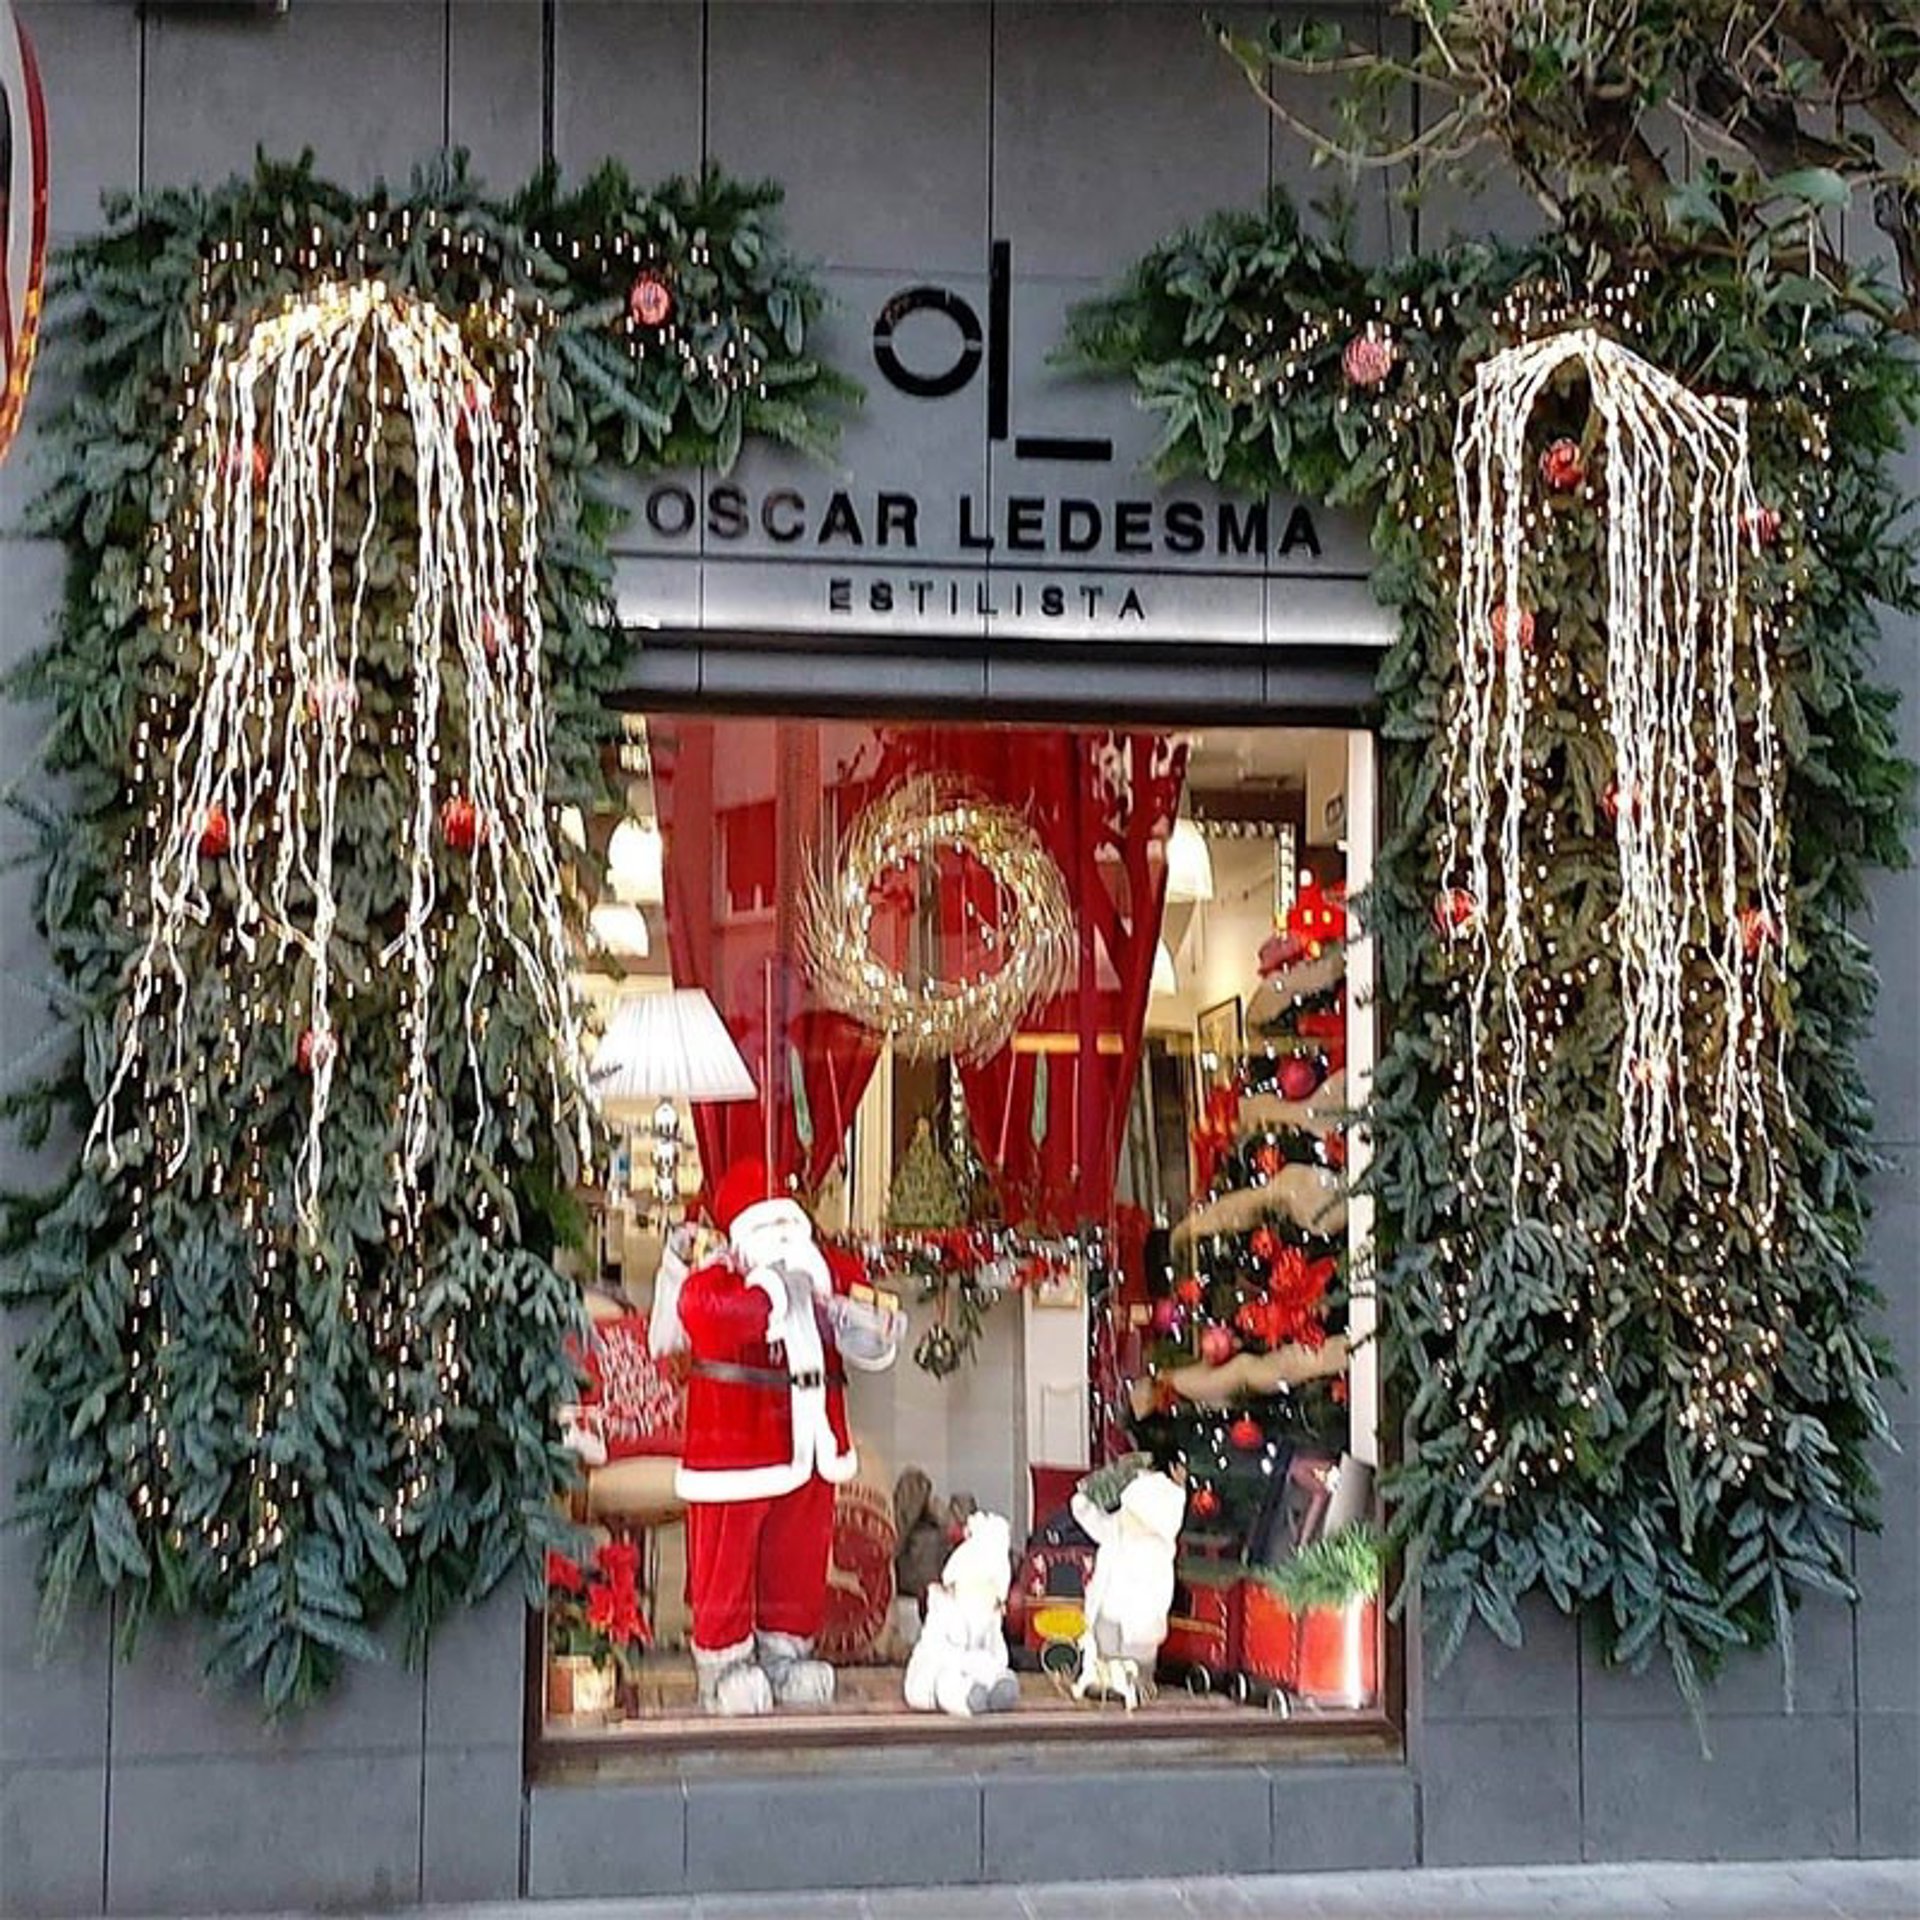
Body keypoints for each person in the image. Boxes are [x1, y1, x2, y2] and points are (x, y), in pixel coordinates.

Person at [656, 1158, 902, 1715]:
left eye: (789, 1224)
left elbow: (869, 1316)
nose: (785, 1237)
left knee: (798, 1555)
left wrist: (866, 1326)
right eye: (770, 1226)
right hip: (736, 1451)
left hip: (812, 1445)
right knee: (727, 1559)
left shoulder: (825, 1270)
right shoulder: (723, 1274)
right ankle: (724, 1664)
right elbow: (704, 1313)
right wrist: (773, 1292)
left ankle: (786, 1652)